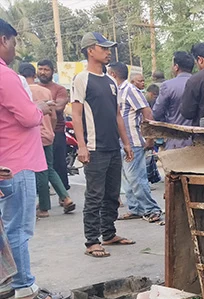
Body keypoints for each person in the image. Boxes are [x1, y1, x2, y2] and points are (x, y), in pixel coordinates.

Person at [0, 19, 72, 299]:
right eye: (14, 43)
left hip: (5, 160)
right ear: (3, 40)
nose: (15, 50)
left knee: (7, 227)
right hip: (16, 161)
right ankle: (25, 288)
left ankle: (9, 279)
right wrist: (40, 107)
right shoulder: (5, 76)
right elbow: (29, 117)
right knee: (18, 228)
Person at [72, 32, 136, 258]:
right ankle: (91, 241)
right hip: (94, 147)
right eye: (104, 48)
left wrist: (126, 143)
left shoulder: (110, 81)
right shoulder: (82, 79)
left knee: (112, 194)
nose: (108, 52)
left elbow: (118, 114)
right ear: (90, 50)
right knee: (94, 196)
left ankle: (108, 234)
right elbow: (76, 115)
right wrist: (81, 145)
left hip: (112, 146)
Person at [108, 62, 162, 223]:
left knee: (136, 178)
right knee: (127, 178)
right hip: (121, 142)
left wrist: (150, 138)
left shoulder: (130, 90)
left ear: (112, 75)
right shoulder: (116, 91)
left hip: (133, 141)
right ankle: (135, 208)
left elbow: (147, 112)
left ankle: (152, 209)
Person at [20, 63, 75, 218]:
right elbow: (53, 115)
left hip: (32, 136)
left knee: (40, 170)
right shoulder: (45, 91)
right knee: (49, 168)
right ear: (35, 74)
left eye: (46, 69)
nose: (43, 72)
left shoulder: (22, 90)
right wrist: (49, 130)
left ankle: (44, 207)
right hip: (49, 134)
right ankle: (65, 197)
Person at [37, 59, 71, 190]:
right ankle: (43, 197)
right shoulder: (33, 87)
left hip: (56, 131)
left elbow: (59, 106)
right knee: (40, 166)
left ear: (52, 72)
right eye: (40, 69)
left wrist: (40, 105)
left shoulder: (59, 89)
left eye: (46, 69)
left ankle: (65, 196)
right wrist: (49, 103)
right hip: (38, 132)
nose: (43, 72)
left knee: (59, 164)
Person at [152, 51, 194, 149]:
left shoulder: (168, 86)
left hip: (175, 140)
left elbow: (157, 113)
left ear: (176, 66)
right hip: (198, 140)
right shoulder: (200, 83)